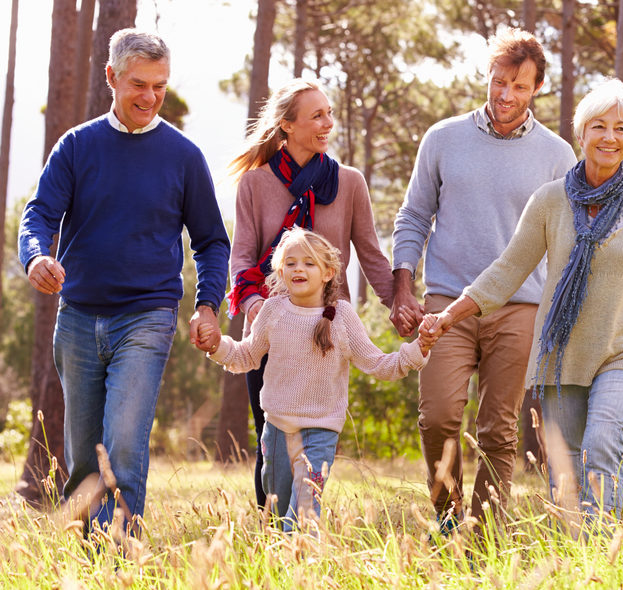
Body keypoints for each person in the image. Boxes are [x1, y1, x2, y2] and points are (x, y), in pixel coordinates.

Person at [420, 79, 623, 524]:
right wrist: (450, 314)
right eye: (599, 126)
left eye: (621, 128)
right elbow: (508, 269)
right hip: (564, 351)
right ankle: (578, 559)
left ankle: (600, 547)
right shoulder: (550, 201)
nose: (610, 137)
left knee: (602, 441)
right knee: (566, 465)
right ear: (581, 133)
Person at [17, 29, 230, 532]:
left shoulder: (183, 156)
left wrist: (206, 305)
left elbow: (211, 241)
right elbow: (39, 215)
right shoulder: (76, 146)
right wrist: (34, 258)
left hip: (148, 316)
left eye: (159, 86)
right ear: (111, 77)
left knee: (125, 444)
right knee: (86, 455)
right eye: (139, 84)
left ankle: (122, 556)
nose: (150, 97)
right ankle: (90, 558)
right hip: (78, 319)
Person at [390, 28, 577, 527]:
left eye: (519, 86)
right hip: (446, 302)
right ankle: (448, 519)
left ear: (536, 88)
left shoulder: (558, 156)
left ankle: (486, 532)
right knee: (438, 416)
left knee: (498, 430)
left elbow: (566, 241)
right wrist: (402, 286)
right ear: (487, 78)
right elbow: (413, 216)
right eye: (498, 82)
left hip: (520, 306)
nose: (505, 96)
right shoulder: (443, 138)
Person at [227, 78, 395, 509]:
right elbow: (242, 258)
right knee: (271, 440)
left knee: (316, 442)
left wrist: (399, 303)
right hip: (273, 329)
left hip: (327, 329)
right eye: (317, 115)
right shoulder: (254, 184)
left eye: (330, 113)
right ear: (287, 125)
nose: (328, 123)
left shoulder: (350, 183)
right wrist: (259, 309)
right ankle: (271, 534)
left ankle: (303, 527)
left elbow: (372, 254)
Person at [203, 228, 432, 530]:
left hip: (320, 433)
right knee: (278, 511)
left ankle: (303, 568)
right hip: (277, 431)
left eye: (309, 263)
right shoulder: (272, 311)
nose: (299, 269)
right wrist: (217, 346)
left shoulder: (342, 317)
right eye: (291, 263)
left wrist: (419, 348)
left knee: (303, 514)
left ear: (328, 272)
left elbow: (379, 364)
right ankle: (282, 569)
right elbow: (246, 356)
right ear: (280, 271)